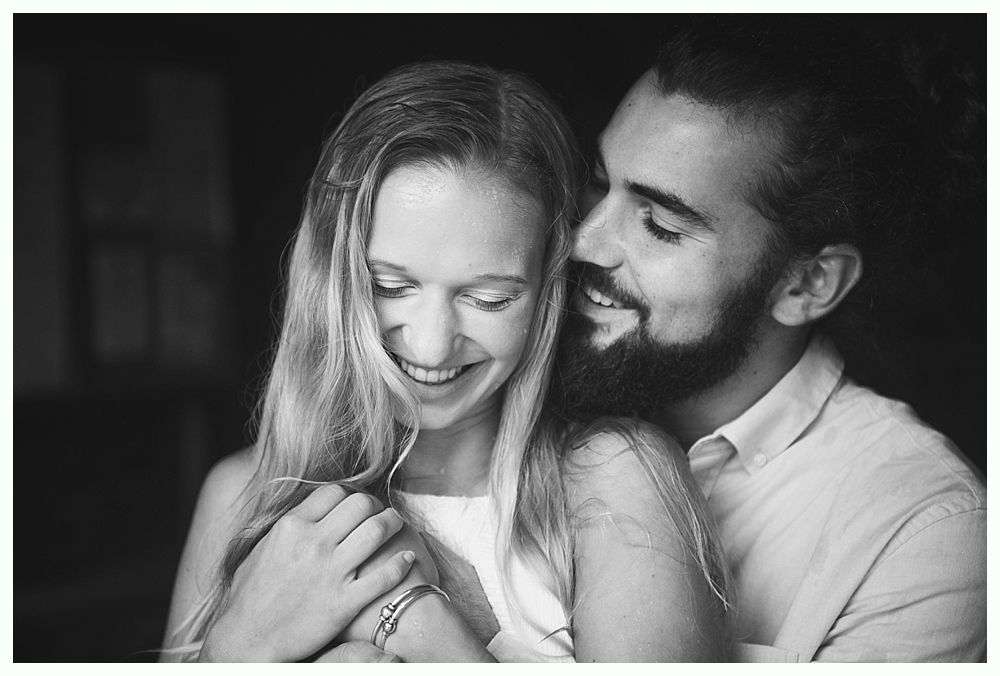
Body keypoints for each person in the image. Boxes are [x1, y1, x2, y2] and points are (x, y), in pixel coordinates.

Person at [161, 60, 730, 663]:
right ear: (333, 277)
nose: (432, 347)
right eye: (389, 285)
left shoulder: (616, 480)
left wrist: (414, 618)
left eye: (489, 299)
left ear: (549, 286)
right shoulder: (241, 494)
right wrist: (238, 647)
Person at [554, 16, 986, 662]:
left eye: (661, 226)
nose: (582, 241)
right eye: (599, 180)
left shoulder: (922, 535)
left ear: (807, 284)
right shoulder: (510, 371)